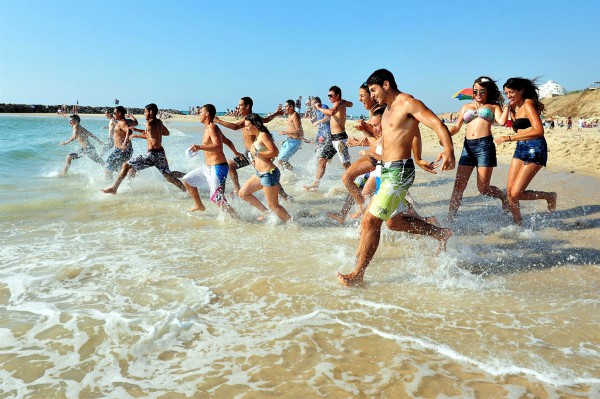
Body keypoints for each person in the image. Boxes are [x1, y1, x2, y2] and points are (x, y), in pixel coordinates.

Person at [337, 68, 455, 287]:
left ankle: (358, 274)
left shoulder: (408, 103)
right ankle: (440, 233)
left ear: (386, 84)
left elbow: (436, 123)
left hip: (399, 171)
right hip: (388, 169)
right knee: (393, 222)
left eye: (373, 90)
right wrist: (368, 134)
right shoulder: (388, 109)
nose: (372, 96)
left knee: (370, 220)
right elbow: (398, 136)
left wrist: (448, 149)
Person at [495, 77, 557, 225]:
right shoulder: (517, 106)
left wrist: (509, 138)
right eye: (506, 93)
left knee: (517, 193)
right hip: (520, 147)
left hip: (535, 147)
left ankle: (549, 196)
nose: (508, 95)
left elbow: (538, 130)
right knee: (510, 194)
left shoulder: (528, 103)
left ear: (521, 90)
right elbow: (519, 127)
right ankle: (519, 225)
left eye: (511, 92)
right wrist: (510, 110)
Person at [446, 76, 510, 220]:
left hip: (485, 147)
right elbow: (456, 127)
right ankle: (450, 218)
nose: (478, 94)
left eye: (482, 91)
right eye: (476, 91)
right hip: (467, 147)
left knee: (483, 188)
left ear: (488, 92)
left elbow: (502, 121)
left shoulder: (493, 107)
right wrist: (443, 134)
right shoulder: (465, 107)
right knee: (459, 186)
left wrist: (507, 106)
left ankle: (503, 197)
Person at [102, 103, 186, 194]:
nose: (144, 114)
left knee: (126, 165)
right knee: (168, 176)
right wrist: (139, 131)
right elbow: (166, 133)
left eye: (145, 112)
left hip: (152, 154)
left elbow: (153, 141)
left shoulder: (149, 123)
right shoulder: (159, 122)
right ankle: (187, 188)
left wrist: (137, 135)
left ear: (150, 112)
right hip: (160, 153)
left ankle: (114, 188)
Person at [214, 97, 287, 197]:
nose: (238, 107)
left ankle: (284, 196)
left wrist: (218, 121)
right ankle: (237, 189)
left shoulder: (248, 118)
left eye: (240, 105)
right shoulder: (253, 118)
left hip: (255, 152)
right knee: (231, 165)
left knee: (265, 172)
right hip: (249, 152)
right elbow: (265, 119)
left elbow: (235, 127)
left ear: (247, 106)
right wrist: (276, 114)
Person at [181, 104, 239, 218]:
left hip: (218, 168)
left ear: (207, 114)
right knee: (187, 180)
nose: (199, 113)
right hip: (209, 168)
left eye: (201, 111)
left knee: (217, 199)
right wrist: (236, 152)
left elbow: (218, 146)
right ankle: (199, 205)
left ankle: (238, 219)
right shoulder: (209, 128)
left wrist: (199, 147)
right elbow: (227, 141)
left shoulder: (212, 127)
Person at [238, 114, 291, 223]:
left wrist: (257, 153)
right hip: (260, 173)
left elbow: (275, 152)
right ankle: (265, 212)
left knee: (274, 205)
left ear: (255, 125)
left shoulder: (263, 135)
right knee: (243, 193)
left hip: (269, 173)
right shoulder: (258, 136)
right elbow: (268, 154)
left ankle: (292, 224)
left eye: (247, 125)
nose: (246, 128)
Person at [314, 86, 354, 170]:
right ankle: (315, 183)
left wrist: (318, 108)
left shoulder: (338, 103)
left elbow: (331, 112)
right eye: (328, 96)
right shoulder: (341, 103)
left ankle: (356, 179)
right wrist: (345, 102)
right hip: (333, 138)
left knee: (346, 163)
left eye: (331, 96)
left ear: (337, 95)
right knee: (322, 160)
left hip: (340, 138)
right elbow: (351, 104)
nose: (329, 97)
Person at [303, 96, 336, 190]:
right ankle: (316, 179)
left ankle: (316, 183)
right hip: (320, 135)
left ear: (318, 103)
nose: (312, 105)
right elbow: (313, 120)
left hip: (327, 134)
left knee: (321, 159)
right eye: (311, 104)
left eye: (314, 103)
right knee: (318, 157)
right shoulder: (315, 111)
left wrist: (319, 121)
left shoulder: (323, 106)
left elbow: (328, 116)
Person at [104, 106, 138, 179]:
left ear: (119, 113)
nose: (113, 114)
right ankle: (131, 179)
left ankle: (108, 184)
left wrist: (124, 144)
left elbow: (128, 131)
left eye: (114, 113)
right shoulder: (128, 121)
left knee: (107, 165)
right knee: (121, 167)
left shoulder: (122, 122)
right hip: (127, 149)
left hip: (121, 149)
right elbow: (136, 122)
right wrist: (130, 116)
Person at [277, 99, 304, 173]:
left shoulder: (295, 115)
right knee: (280, 160)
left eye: (286, 106)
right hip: (289, 141)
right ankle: (284, 175)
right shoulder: (290, 115)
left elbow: (298, 130)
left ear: (291, 107)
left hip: (294, 142)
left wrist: (285, 132)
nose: (284, 108)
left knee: (281, 160)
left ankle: (296, 174)